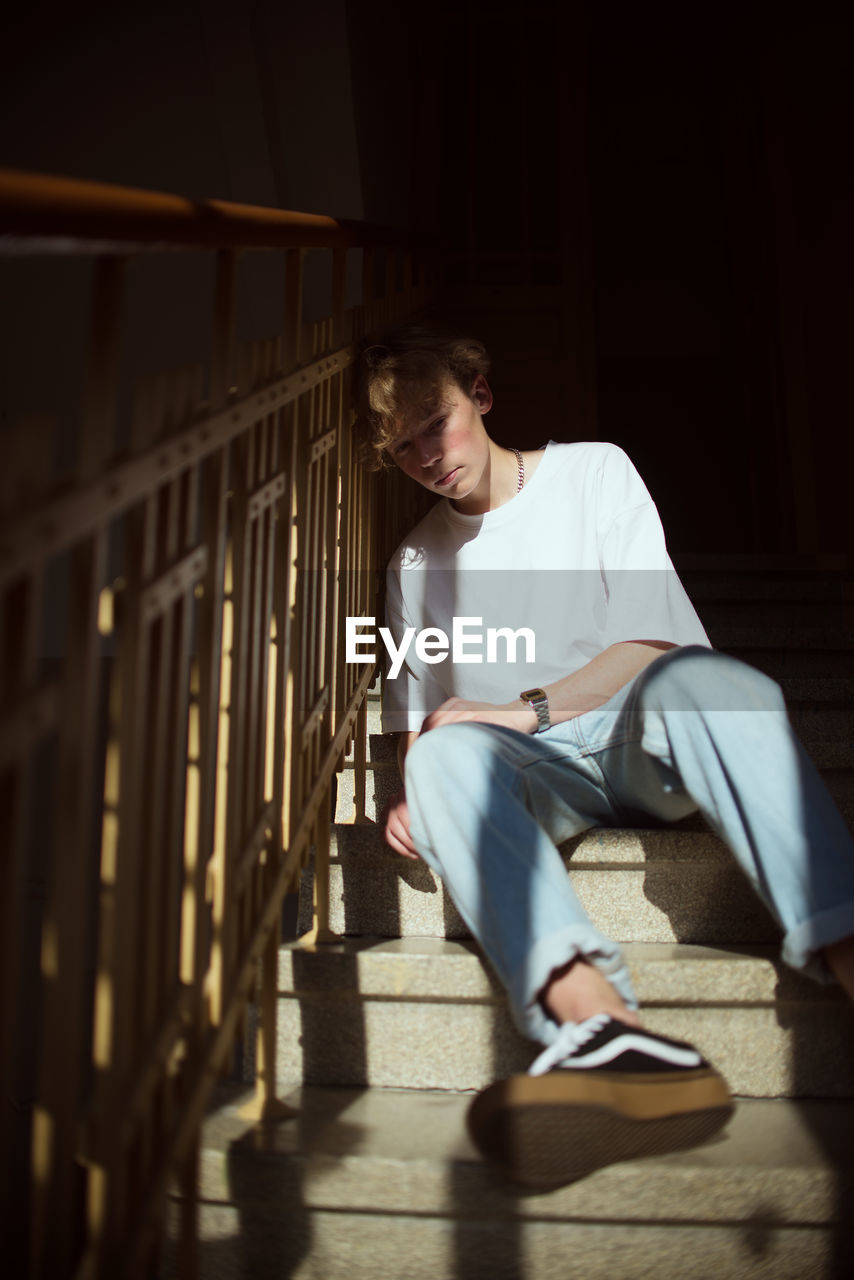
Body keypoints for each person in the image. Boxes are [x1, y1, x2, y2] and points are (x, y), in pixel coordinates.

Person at [353, 323, 854, 1187]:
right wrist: (415, 786)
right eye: (401, 449)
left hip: (638, 737)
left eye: (435, 423)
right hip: (539, 780)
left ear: (480, 392)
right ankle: (605, 1034)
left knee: (710, 681)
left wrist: (524, 710)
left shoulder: (595, 471)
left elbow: (653, 641)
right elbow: (421, 722)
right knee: (439, 765)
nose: (426, 456)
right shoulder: (411, 563)